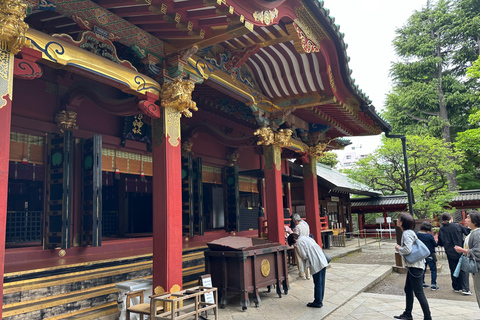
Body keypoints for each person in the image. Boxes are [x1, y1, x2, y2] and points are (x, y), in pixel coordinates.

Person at [394, 212, 432, 320]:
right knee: (408, 289)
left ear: (401, 222)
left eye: (398, 219)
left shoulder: (406, 233)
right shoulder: (409, 232)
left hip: (415, 267)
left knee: (419, 293)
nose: (397, 220)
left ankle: (428, 317)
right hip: (414, 266)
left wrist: (398, 249)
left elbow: (407, 250)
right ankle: (407, 313)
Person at [287, 233, 328, 308]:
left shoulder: (299, 243)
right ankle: (320, 299)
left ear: (293, 240)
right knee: (321, 282)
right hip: (322, 259)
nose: (294, 245)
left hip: (316, 262)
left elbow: (303, 255)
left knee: (317, 282)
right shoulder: (306, 238)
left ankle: (317, 302)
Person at [437, 212, 471, 295]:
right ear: (451, 218)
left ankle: (456, 286)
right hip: (460, 250)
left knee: (453, 269)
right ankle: (465, 288)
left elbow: (440, 243)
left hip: (449, 252)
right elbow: (467, 232)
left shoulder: (442, 229)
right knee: (464, 269)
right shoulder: (457, 226)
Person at [454, 210, 480, 309]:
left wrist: (463, 250)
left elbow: (478, 251)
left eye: (468, 217)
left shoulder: (477, 233)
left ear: (475, 221)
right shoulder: (473, 232)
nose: (466, 219)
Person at [417, 221, 438, 290]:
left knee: (423, 269)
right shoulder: (429, 236)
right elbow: (435, 244)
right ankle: (433, 284)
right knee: (433, 269)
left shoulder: (418, 235)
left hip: (421, 255)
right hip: (430, 255)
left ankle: (422, 283)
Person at [292, 213, 311, 279]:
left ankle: (302, 274)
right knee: (306, 259)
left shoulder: (297, 227)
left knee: (299, 259)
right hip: (306, 244)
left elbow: (295, 236)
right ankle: (308, 274)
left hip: (299, 244)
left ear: (296, 221)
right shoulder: (306, 225)